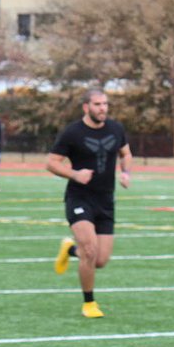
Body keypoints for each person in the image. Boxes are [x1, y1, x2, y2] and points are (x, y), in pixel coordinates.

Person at [47, 89, 132, 319]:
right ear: (86, 107)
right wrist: (74, 174)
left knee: (101, 260)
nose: (102, 108)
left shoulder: (116, 129)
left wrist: (126, 173)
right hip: (79, 198)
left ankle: (70, 249)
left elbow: (126, 153)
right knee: (90, 249)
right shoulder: (73, 133)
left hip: (106, 200)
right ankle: (89, 302)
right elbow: (51, 163)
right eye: (97, 104)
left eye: (105, 104)